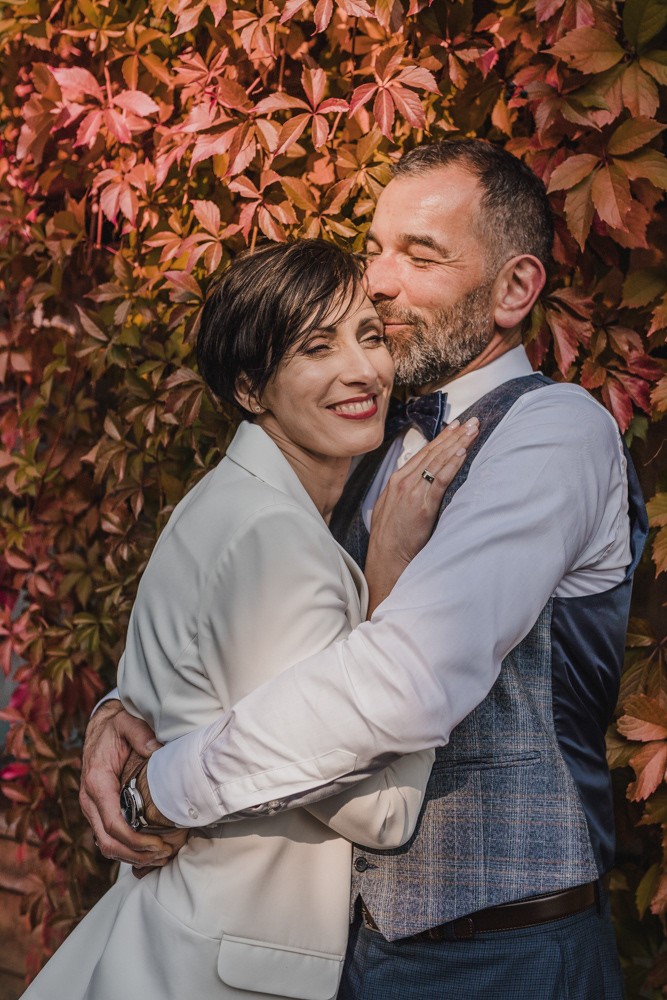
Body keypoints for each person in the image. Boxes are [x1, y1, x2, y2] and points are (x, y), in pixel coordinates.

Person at [82, 140, 648, 999]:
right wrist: (127, 707)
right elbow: (251, 621)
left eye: (420, 255)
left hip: (502, 956)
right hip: (336, 954)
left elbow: (404, 678)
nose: (377, 281)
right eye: (374, 248)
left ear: (514, 290)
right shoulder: (362, 430)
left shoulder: (553, 434)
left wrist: (162, 784)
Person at [22, 239, 480, 1000]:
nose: (362, 370)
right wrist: (394, 586)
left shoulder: (236, 502)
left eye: (369, 336)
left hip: (185, 938)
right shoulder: (271, 538)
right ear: (249, 387)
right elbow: (380, 812)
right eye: (317, 348)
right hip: (215, 966)